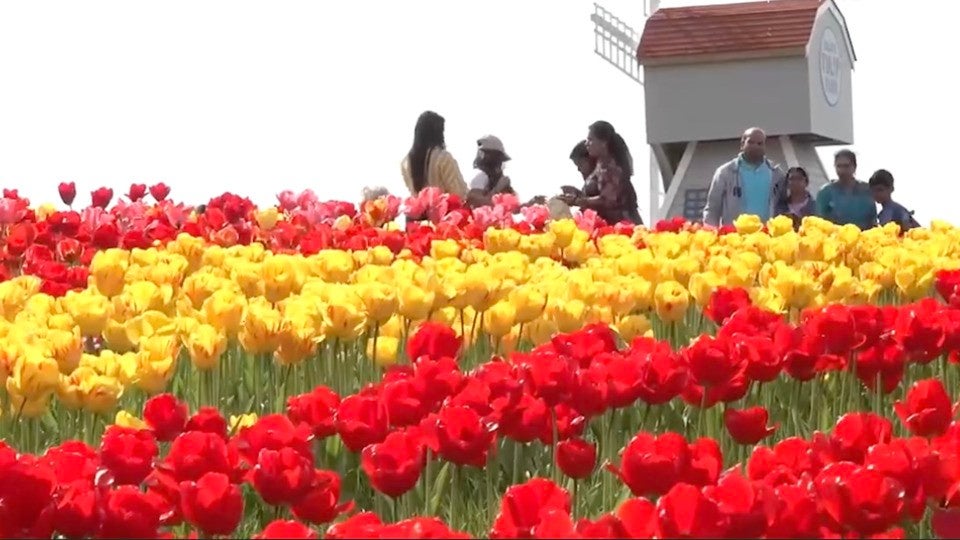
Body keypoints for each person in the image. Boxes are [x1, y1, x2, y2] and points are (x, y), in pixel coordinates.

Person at [557, 121, 643, 225]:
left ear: (603, 142)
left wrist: (577, 201)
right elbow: (597, 195)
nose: (586, 143)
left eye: (590, 140)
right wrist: (577, 195)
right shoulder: (600, 167)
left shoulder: (611, 168)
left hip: (619, 228)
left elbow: (607, 200)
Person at [702, 127, 787, 227]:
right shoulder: (725, 172)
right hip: (735, 238)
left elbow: (787, 205)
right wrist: (711, 233)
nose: (756, 146)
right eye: (751, 142)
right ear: (742, 144)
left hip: (766, 238)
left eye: (760, 143)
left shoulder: (776, 173)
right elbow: (712, 208)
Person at [400, 111, 467, 198]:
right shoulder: (443, 158)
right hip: (446, 209)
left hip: (421, 211)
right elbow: (458, 193)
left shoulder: (405, 162)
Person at [815, 149, 876, 230]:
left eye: (846, 166)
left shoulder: (867, 190)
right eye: (839, 166)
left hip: (863, 239)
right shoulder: (825, 192)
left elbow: (873, 219)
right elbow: (820, 223)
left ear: (854, 167)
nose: (842, 171)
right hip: (835, 239)